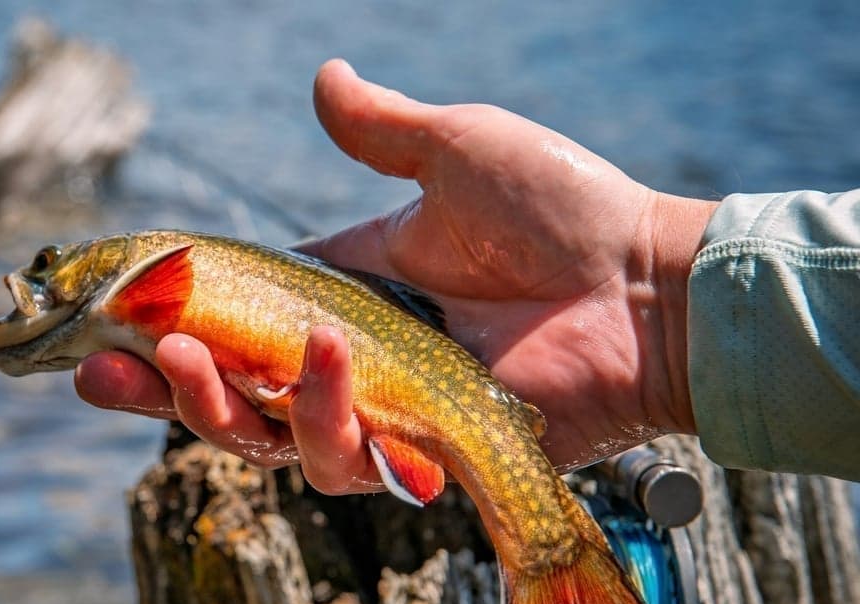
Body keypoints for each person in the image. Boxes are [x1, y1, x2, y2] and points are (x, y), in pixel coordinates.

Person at [74, 59, 860, 485]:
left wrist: (661, 297)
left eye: (52, 264)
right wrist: (655, 297)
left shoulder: (143, 269)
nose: (46, 276)